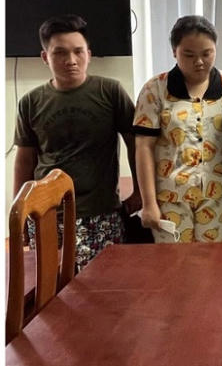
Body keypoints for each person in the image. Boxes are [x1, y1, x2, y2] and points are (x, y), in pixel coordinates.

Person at [13, 14, 140, 270]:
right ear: (45, 57)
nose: (71, 60)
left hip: (101, 212)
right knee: (51, 286)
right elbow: (24, 160)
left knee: (106, 283)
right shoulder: (30, 102)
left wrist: (140, 193)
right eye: (60, 53)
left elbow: (135, 144)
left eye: (78, 51)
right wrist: (20, 210)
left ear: (89, 54)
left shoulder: (110, 92)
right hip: (47, 214)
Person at [133, 15, 222, 242]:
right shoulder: (155, 89)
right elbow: (144, 148)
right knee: (176, 263)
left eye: (206, 53)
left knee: (217, 261)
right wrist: (149, 203)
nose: (199, 62)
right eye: (189, 55)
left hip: (219, 197)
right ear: (175, 52)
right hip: (170, 198)